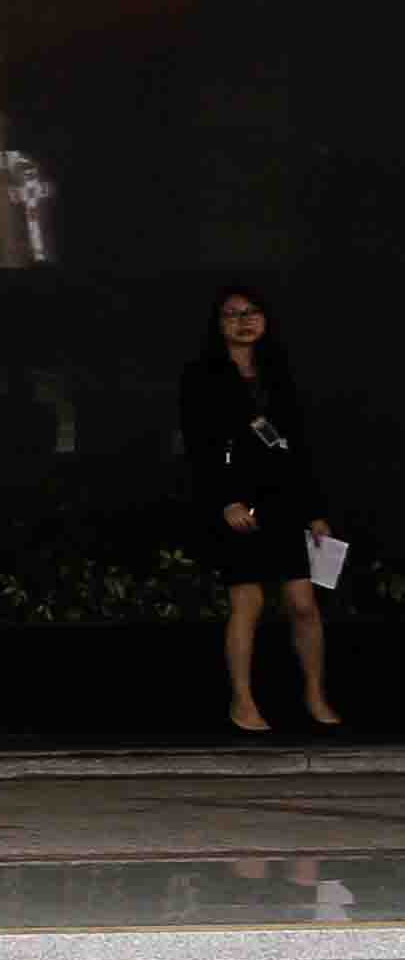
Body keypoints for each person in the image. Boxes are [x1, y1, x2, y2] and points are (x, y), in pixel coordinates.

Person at [186, 284, 345, 734]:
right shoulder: (202, 375)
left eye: (252, 312)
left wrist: (314, 510)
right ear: (218, 323)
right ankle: (243, 701)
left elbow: (301, 447)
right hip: (237, 503)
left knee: (303, 602)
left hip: (286, 499)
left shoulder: (280, 372)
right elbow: (199, 446)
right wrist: (225, 500)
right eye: (233, 313)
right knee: (249, 600)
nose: (244, 320)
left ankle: (315, 694)